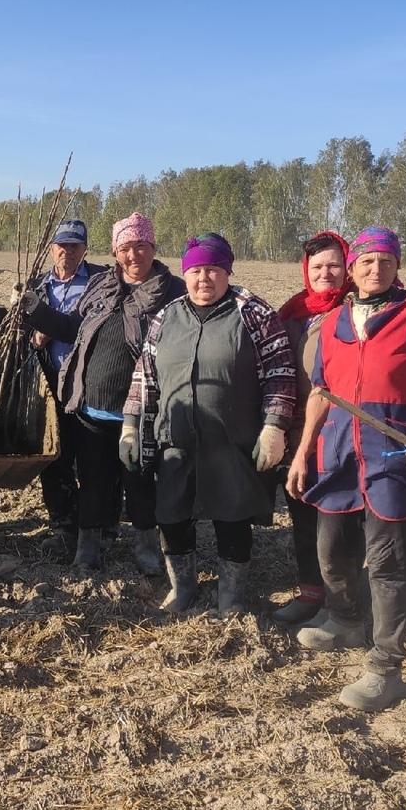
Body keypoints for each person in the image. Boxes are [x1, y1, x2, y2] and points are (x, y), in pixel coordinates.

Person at [286, 225, 406, 712]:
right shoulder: (332, 324)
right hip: (339, 453)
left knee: (388, 565)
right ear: (353, 269)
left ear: (397, 265)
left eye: (385, 261)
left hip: (394, 455)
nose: (376, 269)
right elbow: (320, 395)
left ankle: (387, 668)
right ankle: (345, 622)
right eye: (366, 262)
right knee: (331, 549)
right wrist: (305, 449)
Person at [125, 234, 296, 614]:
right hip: (175, 440)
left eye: (213, 270)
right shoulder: (167, 316)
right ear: (185, 274)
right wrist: (130, 426)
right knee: (172, 515)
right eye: (196, 270)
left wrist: (274, 426)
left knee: (231, 517)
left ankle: (230, 595)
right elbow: (144, 376)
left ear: (227, 271)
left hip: (231, 441)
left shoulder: (254, 314)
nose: (204, 279)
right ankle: (182, 587)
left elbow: (280, 376)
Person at [21, 212, 185, 573]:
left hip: (143, 410)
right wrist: (35, 310)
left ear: (153, 248)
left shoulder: (173, 291)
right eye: (126, 247)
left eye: (141, 246)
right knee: (93, 481)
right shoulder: (101, 286)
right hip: (93, 407)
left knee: (140, 482)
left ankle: (146, 550)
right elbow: (69, 327)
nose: (133, 255)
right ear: (115, 251)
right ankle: (88, 549)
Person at [270, 231, 352, 624]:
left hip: (338, 428)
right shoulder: (296, 310)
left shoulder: (356, 309)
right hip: (296, 426)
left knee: (336, 520)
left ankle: (342, 604)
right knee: (301, 511)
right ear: (306, 270)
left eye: (334, 265)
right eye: (317, 266)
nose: (326, 273)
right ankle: (310, 593)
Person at [26, 219, 107, 558]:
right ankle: (65, 528)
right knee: (54, 461)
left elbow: (88, 328)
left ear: (85, 248)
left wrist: (47, 324)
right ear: (52, 248)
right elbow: (20, 334)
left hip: (89, 388)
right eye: (63, 244)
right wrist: (33, 338)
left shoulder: (102, 283)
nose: (68, 250)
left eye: (75, 245)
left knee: (93, 462)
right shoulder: (36, 287)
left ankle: (98, 530)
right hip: (50, 387)